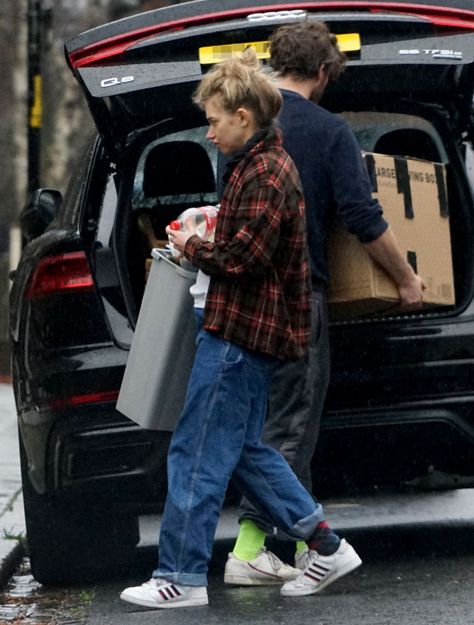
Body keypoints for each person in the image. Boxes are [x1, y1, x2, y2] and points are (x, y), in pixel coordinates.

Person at [120, 46, 361, 610]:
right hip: (249, 335)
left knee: (196, 453)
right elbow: (249, 243)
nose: (209, 133)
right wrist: (210, 226)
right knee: (249, 451)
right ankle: (327, 545)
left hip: (236, 336)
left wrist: (189, 243)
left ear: (243, 117)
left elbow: (243, 257)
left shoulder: (264, 171)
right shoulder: (259, 166)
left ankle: (179, 576)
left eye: (213, 121)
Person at [224, 21, 426, 587]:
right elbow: (363, 219)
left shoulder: (243, 122)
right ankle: (250, 548)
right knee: (288, 427)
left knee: (269, 423)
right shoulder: (328, 129)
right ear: (322, 72)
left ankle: (289, 544)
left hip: (241, 300)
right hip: (294, 299)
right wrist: (407, 279)